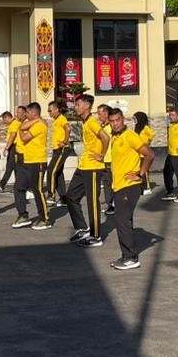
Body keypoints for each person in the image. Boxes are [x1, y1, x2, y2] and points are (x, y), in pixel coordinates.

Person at [105, 107, 154, 270]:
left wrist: (140, 174)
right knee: (124, 220)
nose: (115, 123)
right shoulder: (115, 137)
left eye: (118, 120)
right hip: (119, 186)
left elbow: (149, 154)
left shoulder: (130, 136)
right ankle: (127, 255)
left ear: (123, 119)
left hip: (129, 186)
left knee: (121, 220)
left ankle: (131, 258)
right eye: (112, 121)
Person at [69, 95, 111, 247]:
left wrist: (102, 155)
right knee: (71, 196)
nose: (76, 107)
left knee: (92, 202)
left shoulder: (92, 122)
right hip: (83, 166)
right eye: (75, 105)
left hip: (93, 167)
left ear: (87, 106)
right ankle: (82, 228)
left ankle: (96, 236)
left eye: (78, 105)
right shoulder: (86, 122)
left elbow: (106, 138)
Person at [14, 103, 51, 229]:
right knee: (19, 187)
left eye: (28, 112)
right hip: (27, 161)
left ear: (34, 113)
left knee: (38, 190)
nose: (26, 114)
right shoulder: (34, 123)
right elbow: (22, 127)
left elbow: (24, 137)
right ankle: (23, 215)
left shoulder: (39, 125)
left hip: (37, 162)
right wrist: (33, 121)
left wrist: (22, 128)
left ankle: (45, 219)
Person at [46, 101, 72, 206]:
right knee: (59, 173)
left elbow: (68, 128)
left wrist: (64, 141)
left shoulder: (61, 118)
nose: (49, 112)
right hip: (57, 150)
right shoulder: (56, 120)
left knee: (51, 170)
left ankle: (51, 195)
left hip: (62, 149)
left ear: (56, 109)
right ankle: (63, 198)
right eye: (48, 111)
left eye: (50, 110)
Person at [0, 110, 21, 193]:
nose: (4, 122)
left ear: (7, 117)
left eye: (4, 120)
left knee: (11, 166)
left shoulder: (14, 124)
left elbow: (12, 136)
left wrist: (7, 148)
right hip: (12, 147)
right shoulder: (13, 124)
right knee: (13, 167)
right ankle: (15, 186)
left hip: (14, 147)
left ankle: (3, 184)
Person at [133, 111, 156, 192]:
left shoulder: (145, 128)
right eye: (134, 119)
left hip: (145, 154)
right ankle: (141, 186)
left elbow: (152, 134)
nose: (134, 121)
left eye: (135, 119)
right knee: (139, 170)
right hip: (138, 153)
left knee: (145, 170)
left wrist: (147, 142)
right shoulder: (137, 128)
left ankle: (147, 187)